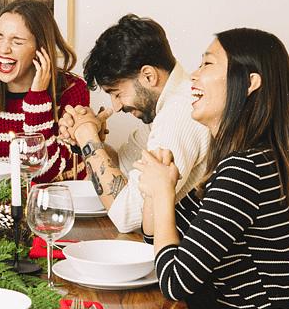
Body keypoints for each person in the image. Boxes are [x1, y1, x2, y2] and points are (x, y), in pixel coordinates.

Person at [134, 29, 289, 309]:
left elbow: (174, 282)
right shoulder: (235, 162)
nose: (194, 75)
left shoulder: (245, 170)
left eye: (206, 63)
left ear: (249, 83)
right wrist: (156, 188)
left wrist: (163, 193)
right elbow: (155, 241)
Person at [60, 14, 209, 232]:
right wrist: (90, 140)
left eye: (117, 93)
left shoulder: (180, 112)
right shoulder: (167, 104)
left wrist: (87, 136)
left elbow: (127, 215)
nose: (116, 106)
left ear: (148, 76)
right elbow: (123, 167)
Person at [0, 0, 89, 183]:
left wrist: (38, 97)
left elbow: (46, 174)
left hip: (60, 202)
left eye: (17, 41)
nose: (3, 49)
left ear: (40, 49)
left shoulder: (73, 90)